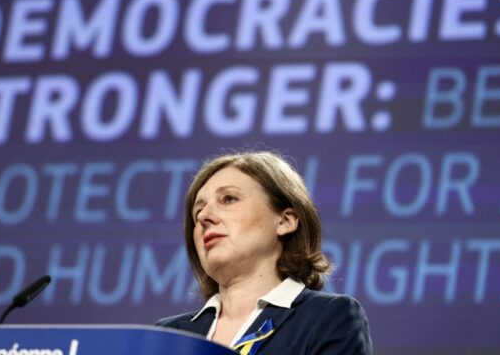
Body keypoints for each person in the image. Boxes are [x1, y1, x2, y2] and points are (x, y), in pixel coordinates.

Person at [155, 151, 373, 355]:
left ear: (285, 221)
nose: (204, 217)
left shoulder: (328, 318)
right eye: (197, 211)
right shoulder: (165, 336)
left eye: (229, 199)